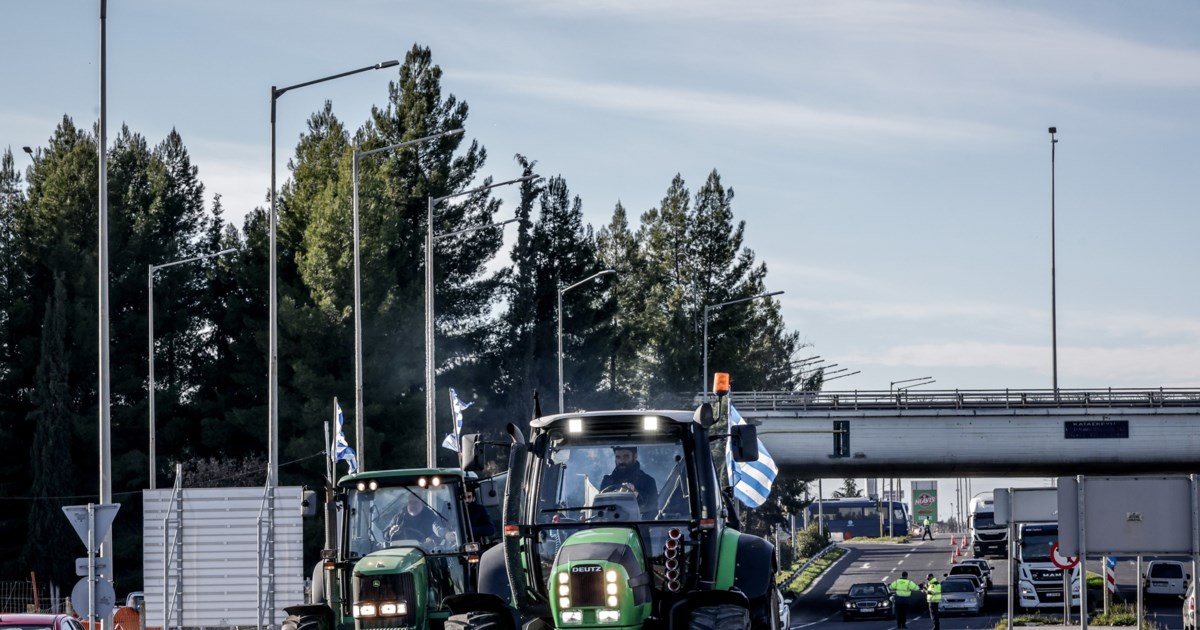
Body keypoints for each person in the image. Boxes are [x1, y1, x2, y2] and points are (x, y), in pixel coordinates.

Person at [599, 446, 659, 517]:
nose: (621, 461)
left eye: (626, 456)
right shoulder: (607, 481)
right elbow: (600, 507)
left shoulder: (648, 481)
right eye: (618, 457)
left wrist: (636, 495)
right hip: (611, 522)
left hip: (639, 523)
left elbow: (652, 507)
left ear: (635, 456)